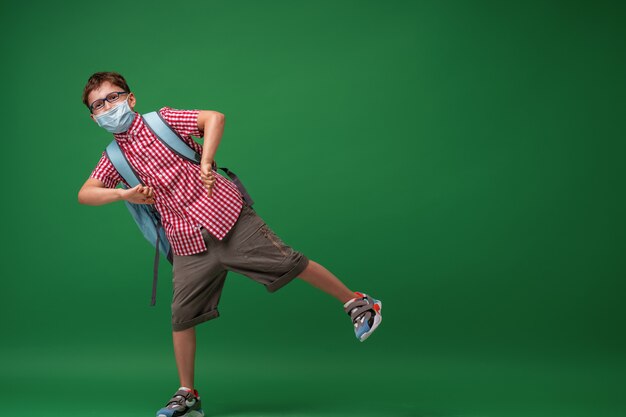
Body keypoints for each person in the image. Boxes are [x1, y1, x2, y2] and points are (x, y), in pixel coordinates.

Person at [77, 71, 383, 417]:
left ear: (130, 99)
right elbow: (85, 193)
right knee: (181, 316)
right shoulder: (114, 157)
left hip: (228, 217)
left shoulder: (161, 120)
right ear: (93, 117)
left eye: (114, 98)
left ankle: (359, 303)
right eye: (99, 105)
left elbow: (213, 118)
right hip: (186, 241)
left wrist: (206, 161)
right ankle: (187, 395)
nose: (108, 108)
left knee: (291, 263)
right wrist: (124, 193)